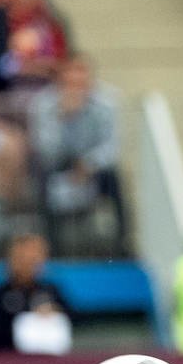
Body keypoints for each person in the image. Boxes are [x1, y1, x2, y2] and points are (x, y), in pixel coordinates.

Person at [28, 55, 126, 256]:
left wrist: (88, 164)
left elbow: (111, 147)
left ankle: (121, 246)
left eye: (80, 82)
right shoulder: (43, 104)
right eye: (70, 82)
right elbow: (45, 150)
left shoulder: (107, 103)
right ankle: (53, 249)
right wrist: (65, 117)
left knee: (114, 178)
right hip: (58, 164)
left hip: (92, 167)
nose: (75, 88)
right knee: (40, 178)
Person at [0, 232, 72, 355]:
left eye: (34, 259)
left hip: (48, 363)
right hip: (6, 361)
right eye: (23, 258)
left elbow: (73, 318)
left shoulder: (51, 291)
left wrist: (55, 312)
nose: (28, 264)